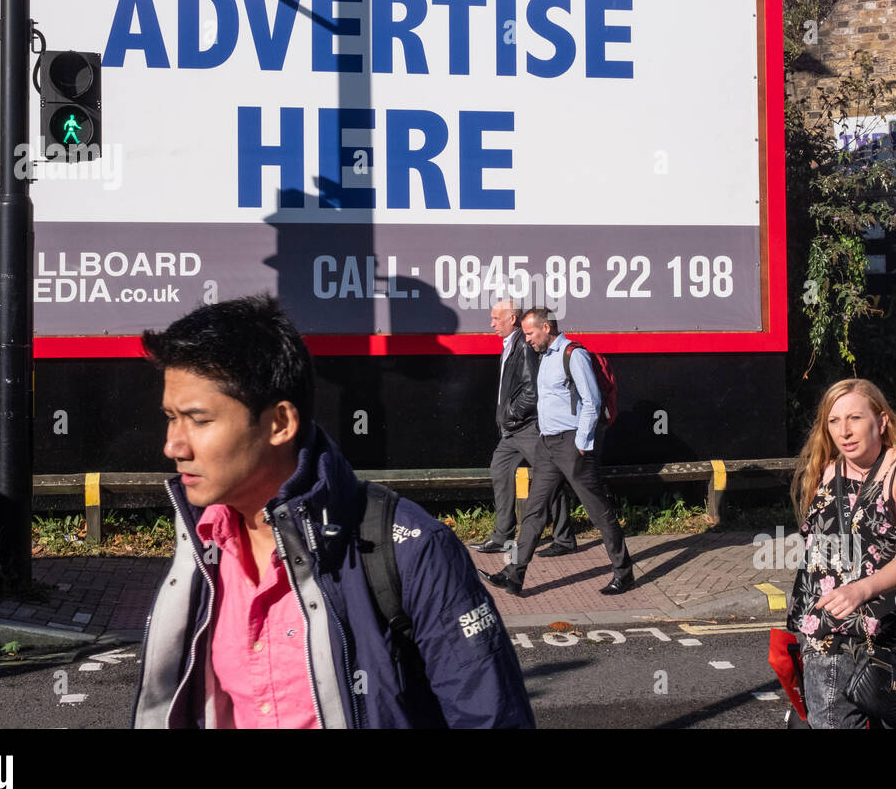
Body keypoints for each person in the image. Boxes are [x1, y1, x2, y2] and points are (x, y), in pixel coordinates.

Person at [132, 294, 534, 729]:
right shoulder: (200, 553)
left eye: (198, 419)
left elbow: (491, 717)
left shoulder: (411, 549)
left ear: (280, 423)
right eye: (171, 417)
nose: (173, 445)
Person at [786, 378, 896, 729]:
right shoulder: (826, 472)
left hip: (895, 638)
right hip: (831, 639)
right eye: (834, 421)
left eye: (855, 419)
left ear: (881, 422)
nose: (844, 431)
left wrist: (862, 589)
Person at [480, 308, 635, 597]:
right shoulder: (545, 358)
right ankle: (513, 575)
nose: (527, 340)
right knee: (534, 513)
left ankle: (624, 573)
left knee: (598, 512)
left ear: (546, 328)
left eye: (530, 334)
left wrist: (583, 441)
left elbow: (591, 399)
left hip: (571, 445)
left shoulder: (572, 355)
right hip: (547, 445)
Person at [470, 299, 576, 557]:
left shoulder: (524, 347)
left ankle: (564, 538)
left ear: (512, 319)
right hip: (512, 430)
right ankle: (502, 535)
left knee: (549, 476)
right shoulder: (510, 345)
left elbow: (532, 391)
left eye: (497, 318)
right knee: (499, 468)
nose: (492, 323)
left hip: (526, 427)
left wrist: (511, 414)